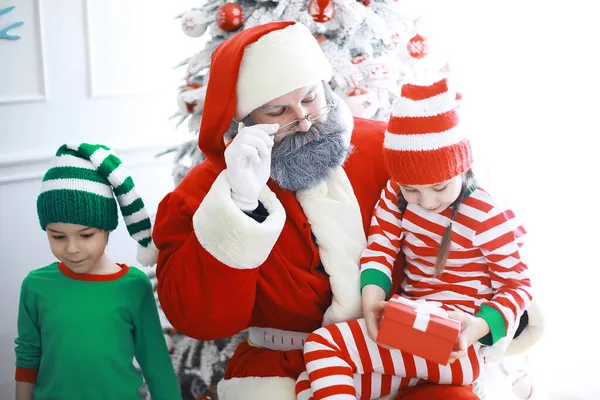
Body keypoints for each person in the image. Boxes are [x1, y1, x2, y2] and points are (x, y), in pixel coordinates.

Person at [152, 20, 488, 400]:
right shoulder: (207, 190)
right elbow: (201, 319)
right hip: (285, 366)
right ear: (246, 120)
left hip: (403, 347)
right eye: (278, 110)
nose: (306, 120)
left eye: (311, 98)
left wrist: (493, 312)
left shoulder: (384, 148)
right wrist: (241, 204)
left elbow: (469, 229)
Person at [294, 77, 534, 399]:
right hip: (410, 328)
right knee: (308, 387)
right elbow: (381, 247)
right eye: (412, 189)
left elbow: (517, 286)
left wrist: (476, 327)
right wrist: (371, 305)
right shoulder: (396, 194)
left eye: (439, 187)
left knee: (321, 344)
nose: (428, 202)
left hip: (456, 347)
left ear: (463, 169)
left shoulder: (486, 214)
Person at [14, 143, 182, 400]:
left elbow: (155, 361)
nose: (72, 248)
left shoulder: (133, 286)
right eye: (58, 236)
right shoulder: (36, 286)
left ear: (107, 229)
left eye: (86, 235)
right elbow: (28, 356)